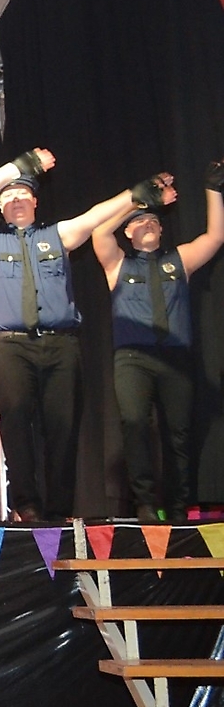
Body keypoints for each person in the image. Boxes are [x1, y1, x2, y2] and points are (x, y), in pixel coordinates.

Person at [0, 148, 175, 521]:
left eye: (23, 193)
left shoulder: (57, 235)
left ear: (35, 201)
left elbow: (95, 216)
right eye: (8, 196)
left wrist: (135, 195)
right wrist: (19, 167)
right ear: (0, 207)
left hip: (60, 344)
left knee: (63, 427)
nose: (16, 199)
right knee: (15, 420)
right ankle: (26, 504)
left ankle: (59, 509)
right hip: (11, 346)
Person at [91, 159, 224, 522]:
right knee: (134, 425)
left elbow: (215, 237)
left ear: (162, 229)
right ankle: (146, 503)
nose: (147, 224)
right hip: (132, 359)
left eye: (153, 220)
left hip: (175, 357)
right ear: (128, 232)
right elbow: (100, 232)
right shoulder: (117, 264)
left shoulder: (179, 260)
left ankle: (178, 507)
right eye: (139, 222)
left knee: (178, 434)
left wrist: (213, 189)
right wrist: (139, 200)